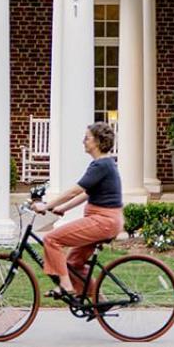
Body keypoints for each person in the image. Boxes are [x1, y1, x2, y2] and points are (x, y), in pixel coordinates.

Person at [31, 122, 122, 300]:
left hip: (102, 221)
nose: (83, 141)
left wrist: (46, 205)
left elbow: (75, 190)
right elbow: (88, 193)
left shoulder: (101, 165)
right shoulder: (105, 164)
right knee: (73, 263)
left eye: (87, 138)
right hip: (106, 221)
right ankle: (99, 300)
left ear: (97, 141)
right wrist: (62, 209)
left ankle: (65, 286)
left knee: (51, 239)